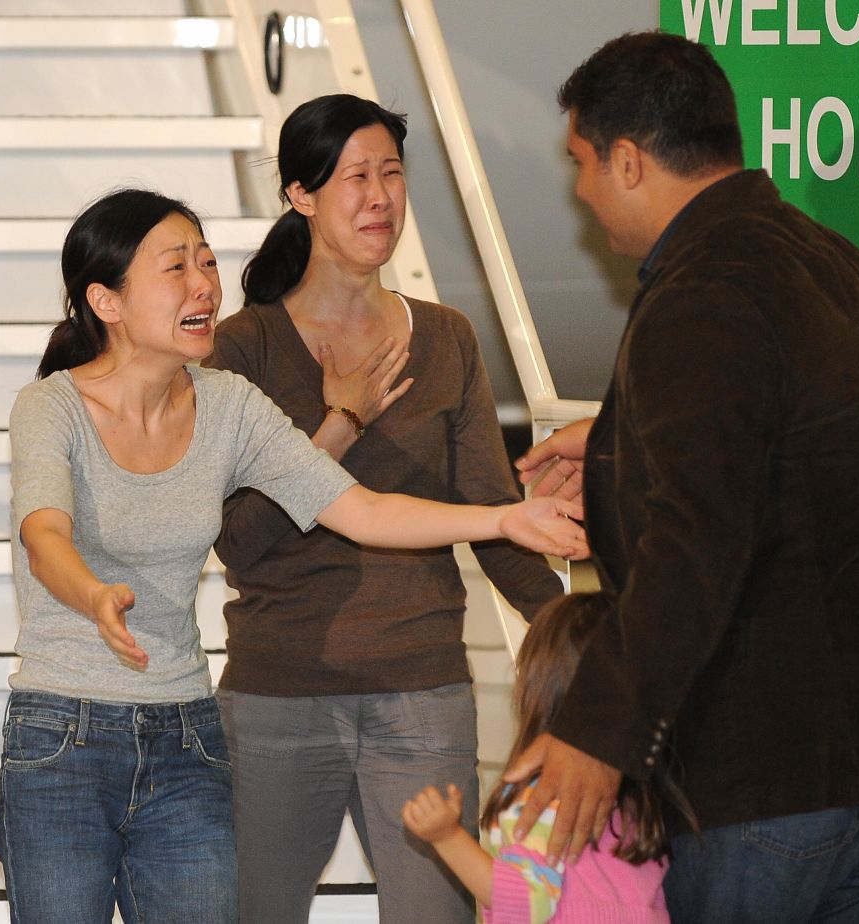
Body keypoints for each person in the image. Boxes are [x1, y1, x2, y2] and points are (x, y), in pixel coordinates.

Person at [0, 187, 585, 924]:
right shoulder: (50, 407)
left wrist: (505, 518)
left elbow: (362, 510)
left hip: (185, 736)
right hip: (63, 735)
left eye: (207, 262)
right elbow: (45, 534)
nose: (204, 283)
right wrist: (93, 596)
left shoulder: (230, 405)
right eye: (175, 267)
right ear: (106, 302)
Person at [508, 31, 859, 923]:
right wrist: (618, 442)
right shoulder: (826, 257)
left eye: (583, 163)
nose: (581, 191)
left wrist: (598, 735)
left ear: (630, 161)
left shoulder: (699, 291)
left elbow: (696, 543)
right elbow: (795, 450)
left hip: (774, 780)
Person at [202, 93, 566, 924]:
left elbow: (494, 517)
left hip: (422, 690)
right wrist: (339, 423)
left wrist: (582, 633)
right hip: (277, 694)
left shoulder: (446, 337)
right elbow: (242, 542)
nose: (380, 198)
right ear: (301, 194)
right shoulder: (242, 346)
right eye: (356, 177)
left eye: (393, 174)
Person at [403, 592, 671, 924]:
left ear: (538, 685)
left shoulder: (546, 794)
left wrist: (448, 838)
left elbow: (527, 905)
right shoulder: (640, 799)